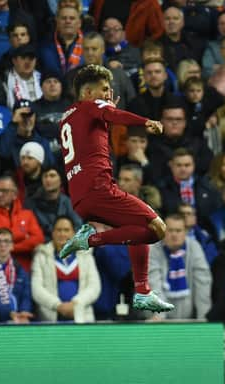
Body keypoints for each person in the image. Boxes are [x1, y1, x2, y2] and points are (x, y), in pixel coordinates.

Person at [57, 64, 173, 313]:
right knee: (157, 228)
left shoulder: (69, 116)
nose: (109, 95)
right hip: (100, 190)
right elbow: (116, 115)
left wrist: (106, 112)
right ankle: (91, 239)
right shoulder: (92, 107)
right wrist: (146, 122)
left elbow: (90, 141)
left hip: (80, 197)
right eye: (105, 89)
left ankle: (142, 291)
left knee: (139, 228)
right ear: (88, 92)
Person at [31, 215, 101, 322]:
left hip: (82, 316)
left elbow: (94, 286)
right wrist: (57, 305)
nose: (62, 234)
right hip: (50, 318)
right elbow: (36, 289)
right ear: (53, 233)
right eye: (58, 230)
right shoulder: (41, 256)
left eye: (66, 230)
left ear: (73, 233)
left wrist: (76, 304)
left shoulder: (85, 255)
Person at [148, 214, 212, 320]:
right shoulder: (152, 249)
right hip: (156, 317)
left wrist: (203, 318)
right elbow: (153, 283)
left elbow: (203, 284)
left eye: (178, 231)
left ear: (185, 232)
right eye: (170, 230)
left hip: (187, 317)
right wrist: (159, 316)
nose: (174, 235)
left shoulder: (194, 247)